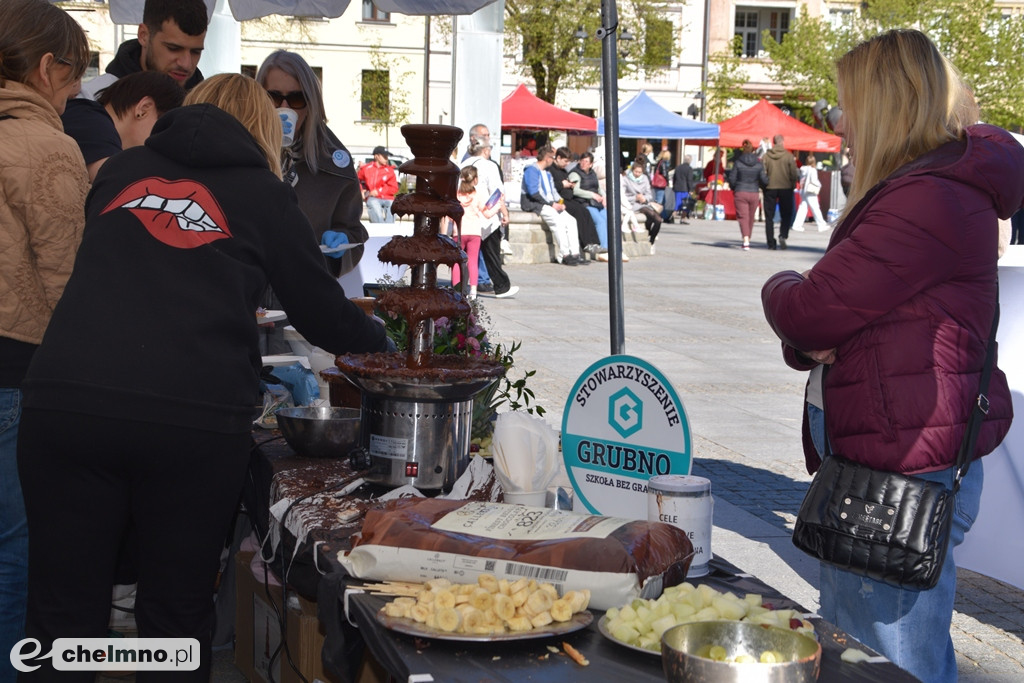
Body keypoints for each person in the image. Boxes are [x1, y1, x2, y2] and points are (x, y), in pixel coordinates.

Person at [16, 73, 391, 680]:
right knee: (174, 613)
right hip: (190, 423)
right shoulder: (266, 195)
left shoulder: (121, 171)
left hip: (67, 406)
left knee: (62, 615)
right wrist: (385, 344)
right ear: (266, 131)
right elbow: (323, 313)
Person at [761, 29, 1023, 683]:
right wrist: (813, 328)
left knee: (883, 658)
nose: (841, 121)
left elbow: (812, 309)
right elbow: (839, 318)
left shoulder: (926, 195)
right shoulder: (929, 185)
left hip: (900, 468)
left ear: (885, 105)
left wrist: (779, 286)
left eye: (848, 103)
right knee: (880, 646)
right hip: (896, 454)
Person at [0, 2, 89, 675]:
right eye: (73, 76)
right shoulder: (48, 146)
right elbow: (67, 283)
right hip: (13, 372)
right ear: (46, 67)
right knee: (12, 551)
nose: (78, 92)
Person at [256, 50, 368, 279]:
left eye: (296, 99)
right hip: (249, 288)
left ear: (311, 104)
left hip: (304, 288)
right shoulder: (241, 149)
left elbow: (354, 234)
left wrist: (340, 242)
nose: (284, 107)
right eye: (274, 98)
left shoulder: (333, 162)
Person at [62, 71, 184, 182]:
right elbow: (117, 185)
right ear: (144, 109)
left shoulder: (87, 117)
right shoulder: (91, 121)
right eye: (165, 130)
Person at [81, 0, 207, 99]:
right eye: (173, 49)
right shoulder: (93, 97)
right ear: (143, 35)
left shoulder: (209, 104)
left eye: (195, 52)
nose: (186, 63)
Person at [462, 138, 517, 298]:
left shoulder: (461, 165)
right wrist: (504, 213)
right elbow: (497, 194)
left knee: (464, 258)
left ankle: (460, 287)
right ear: (486, 150)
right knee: (492, 254)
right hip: (486, 218)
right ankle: (502, 286)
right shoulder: (489, 166)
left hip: (465, 220)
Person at [520, 144, 583, 266]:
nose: (553, 160)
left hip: (549, 203)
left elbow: (553, 191)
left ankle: (575, 253)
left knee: (571, 220)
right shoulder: (531, 170)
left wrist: (560, 202)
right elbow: (534, 193)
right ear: (547, 158)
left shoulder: (547, 173)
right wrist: (551, 204)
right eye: (552, 157)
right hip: (535, 203)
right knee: (557, 221)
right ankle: (564, 254)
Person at [451, 165, 500, 299]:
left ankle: (457, 289)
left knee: (457, 261)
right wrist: (498, 206)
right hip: (474, 232)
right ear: (475, 179)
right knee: (472, 261)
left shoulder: (456, 195)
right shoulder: (477, 194)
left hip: (459, 232)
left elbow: (450, 215)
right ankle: (473, 291)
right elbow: (487, 214)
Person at [551, 147, 600, 263]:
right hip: (560, 199)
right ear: (558, 158)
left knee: (585, 211)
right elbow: (550, 187)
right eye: (565, 161)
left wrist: (570, 185)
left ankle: (594, 242)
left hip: (568, 197)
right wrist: (562, 184)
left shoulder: (563, 171)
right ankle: (586, 244)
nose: (567, 164)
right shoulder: (550, 170)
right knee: (578, 212)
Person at [569, 151, 618, 260]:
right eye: (582, 161)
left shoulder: (592, 173)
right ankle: (603, 249)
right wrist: (592, 195)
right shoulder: (575, 173)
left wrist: (604, 197)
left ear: (591, 164)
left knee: (609, 218)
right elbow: (575, 191)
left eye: (586, 162)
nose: (583, 163)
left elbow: (598, 188)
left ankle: (614, 248)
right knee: (600, 221)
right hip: (584, 203)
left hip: (596, 203)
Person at [726, 140, 768, 251]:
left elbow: (732, 178)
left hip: (741, 191)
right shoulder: (758, 163)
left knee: (743, 216)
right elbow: (763, 179)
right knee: (750, 217)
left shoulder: (738, 162)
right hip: (754, 192)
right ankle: (747, 237)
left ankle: (745, 240)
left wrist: (734, 188)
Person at [761, 134, 799, 250]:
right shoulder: (788, 156)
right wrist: (792, 185)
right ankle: (783, 234)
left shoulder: (766, 156)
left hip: (770, 188)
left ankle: (770, 243)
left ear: (773, 142)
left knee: (769, 217)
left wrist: (764, 186)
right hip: (785, 188)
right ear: (782, 142)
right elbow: (793, 173)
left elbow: (762, 172)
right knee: (786, 214)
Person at [622, 161, 664, 252]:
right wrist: (635, 198)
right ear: (632, 170)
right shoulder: (626, 179)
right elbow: (622, 196)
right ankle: (649, 239)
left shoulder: (644, 178)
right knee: (649, 215)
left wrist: (644, 198)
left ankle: (651, 240)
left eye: (639, 172)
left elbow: (649, 194)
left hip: (644, 203)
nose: (637, 174)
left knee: (658, 219)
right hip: (632, 204)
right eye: (635, 172)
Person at [358, 145, 400, 223]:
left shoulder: (389, 171)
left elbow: (394, 188)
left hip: (388, 198)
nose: (386, 158)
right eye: (384, 156)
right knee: (374, 205)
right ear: (376, 156)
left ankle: (389, 229)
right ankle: (381, 228)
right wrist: (361, 191)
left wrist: (378, 191)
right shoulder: (366, 169)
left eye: (387, 156)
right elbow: (357, 180)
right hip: (373, 197)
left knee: (392, 206)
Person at [791, 153, 830, 232]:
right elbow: (814, 181)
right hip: (810, 191)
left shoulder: (803, 169)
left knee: (803, 208)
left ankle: (797, 225)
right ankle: (821, 224)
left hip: (803, 190)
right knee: (815, 208)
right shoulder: (813, 170)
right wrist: (819, 185)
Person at [671, 154, 694, 221]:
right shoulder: (689, 169)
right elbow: (689, 180)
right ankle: (683, 218)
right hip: (685, 188)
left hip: (677, 187)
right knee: (685, 204)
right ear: (690, 161)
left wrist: (673, 186)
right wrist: (691, 189)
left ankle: (672, 216)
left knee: (677, 203)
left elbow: (674, 178)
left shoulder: (678, 167)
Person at [651, 148, 672, 213]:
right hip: (660, 184)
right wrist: (667, 180)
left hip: (656, 183)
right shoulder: (663, 163)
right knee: (659, 201)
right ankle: (656, 214)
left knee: (657, 199)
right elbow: (664, 174)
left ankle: (655, 213)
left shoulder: (659, 162)